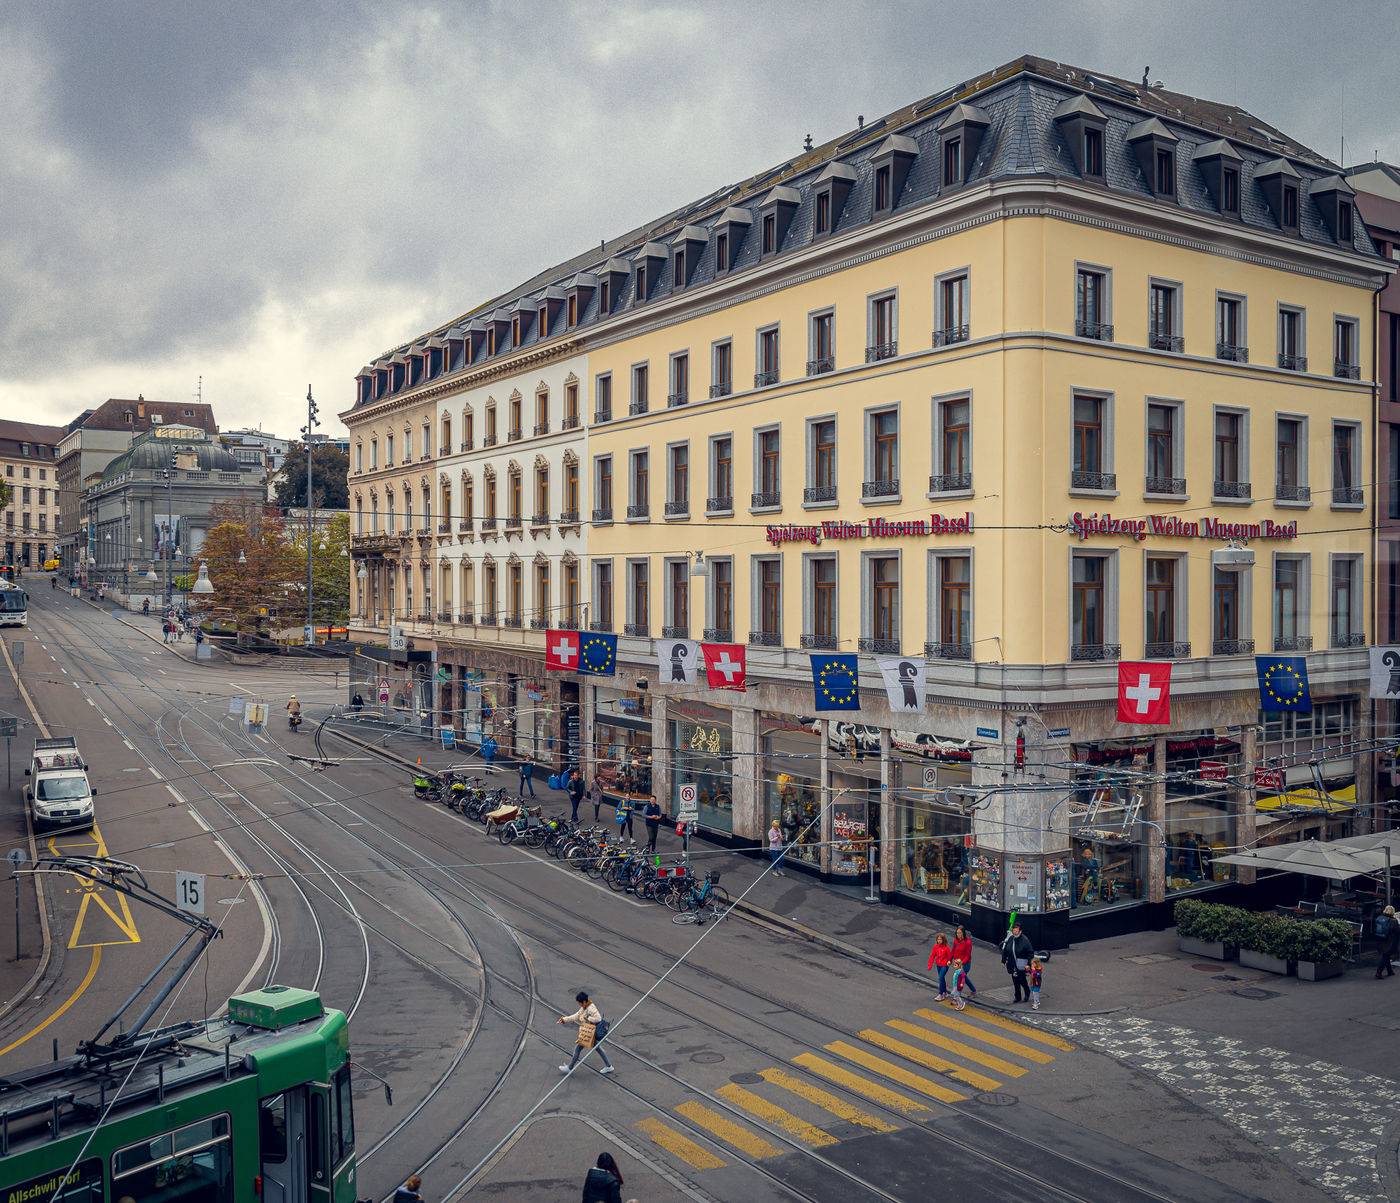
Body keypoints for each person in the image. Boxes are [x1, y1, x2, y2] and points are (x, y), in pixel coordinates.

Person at [558, 991, 615, 1075]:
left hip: (590, 1033)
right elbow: (576, 1016)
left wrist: (588, 1018)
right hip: (588, 1032)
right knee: (598, 1048)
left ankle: (570, 1067)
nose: (578, 1004)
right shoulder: (584, 1007)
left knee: (578, 1048)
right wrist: (564, 1020)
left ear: (584, 1002)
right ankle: (609, 1066)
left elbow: (598, 1018)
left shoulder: (591, 1008)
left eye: (579, 1003)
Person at [1002, 922, 1034, 1003]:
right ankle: (1018, 997)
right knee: (1015, 981)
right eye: (1014, 931)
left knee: (1022, 980)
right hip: (1012, 965)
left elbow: (1030, 953)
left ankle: (1027, 993)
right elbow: (1005, 950)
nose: (1015, 933)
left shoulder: (1025, 941)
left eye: (1016, 931)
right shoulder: (1011, 939)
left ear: (1020, 932)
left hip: (1021, 965)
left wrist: (1028, 964)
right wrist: (1003, 961)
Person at [950, 924, 978, 999]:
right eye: (957, 933)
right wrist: (950, 959)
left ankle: (957, 996)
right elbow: (953, 951)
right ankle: (973, 990)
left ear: (963, 933)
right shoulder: (956, 940)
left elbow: (968, 956)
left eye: (959, 933)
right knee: (964, 978)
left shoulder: (968, 942)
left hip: (965, 964)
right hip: (957, 964)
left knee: (959, 978)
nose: (958, 934)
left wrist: (960, 963)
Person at [927, 932, 953, 999]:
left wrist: (949, 962)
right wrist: (930, 965)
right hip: (938, 965)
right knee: (942, 978)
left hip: (944, 965)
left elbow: (950, 956)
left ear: (943, 940)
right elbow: (932, 956)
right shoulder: (935, 947)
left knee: (940, 978)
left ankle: (941, 994)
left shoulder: (946, 948)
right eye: (938, 939)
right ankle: (945, 992)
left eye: (940, 939)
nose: (939, 941)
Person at [1377, 905, 1398, 979]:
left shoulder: (1380, 917)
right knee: (1385, 956)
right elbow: (1397, 931)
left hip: (1381, 939)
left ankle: (1390, 971)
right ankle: (1378, 972)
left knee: (1386, 955)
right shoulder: (1393, 920)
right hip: (1390, 941)